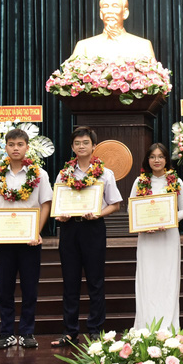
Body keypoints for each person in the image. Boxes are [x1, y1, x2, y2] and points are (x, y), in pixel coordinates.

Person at [0, 129, 53, 349]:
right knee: (5, 289)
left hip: (29, 242)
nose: (15, 148)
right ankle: (6, 333)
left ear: (27, 147)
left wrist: (36, 233)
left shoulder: (39, 174)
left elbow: (46, 205)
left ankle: (27, 333)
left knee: (30, 288)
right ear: (5, 148)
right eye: (11, 144)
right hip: (3, 242)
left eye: (20, 144)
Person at [51, 126, 122, 347]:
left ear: (93, 146)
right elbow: (57, 204)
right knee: (70, 282)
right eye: (77, 143)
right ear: (72, 147)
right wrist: (60, 216)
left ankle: (95, 330)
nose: (81, 146)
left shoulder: (105, 173)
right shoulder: (64, 174)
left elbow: (116, 205)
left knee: (95, 281)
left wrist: (98, 212)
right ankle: (70, 331)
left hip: (94, 229)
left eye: (85, 143)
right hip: (70, 229)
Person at [129, 143, 183, 331]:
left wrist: (170, 219)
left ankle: (167, 327)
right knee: (148, 279)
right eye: (153, 157)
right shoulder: (140, 182)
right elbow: (132, 209)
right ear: (147, 160)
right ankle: (145, 326)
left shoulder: (176, 181)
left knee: (167, 279)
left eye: (161, 156)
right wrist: (144, 224)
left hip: (168, 237)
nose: (157, 160)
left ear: (166, 160)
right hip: (148, 239)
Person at [70, 0, 156, 61]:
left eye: (115, 6)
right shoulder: (84, 46)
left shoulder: (142, 46)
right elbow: (70, 78)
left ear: (125, 13)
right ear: (101, 13)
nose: (109, 11)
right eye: (105, 6)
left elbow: (155, 79)